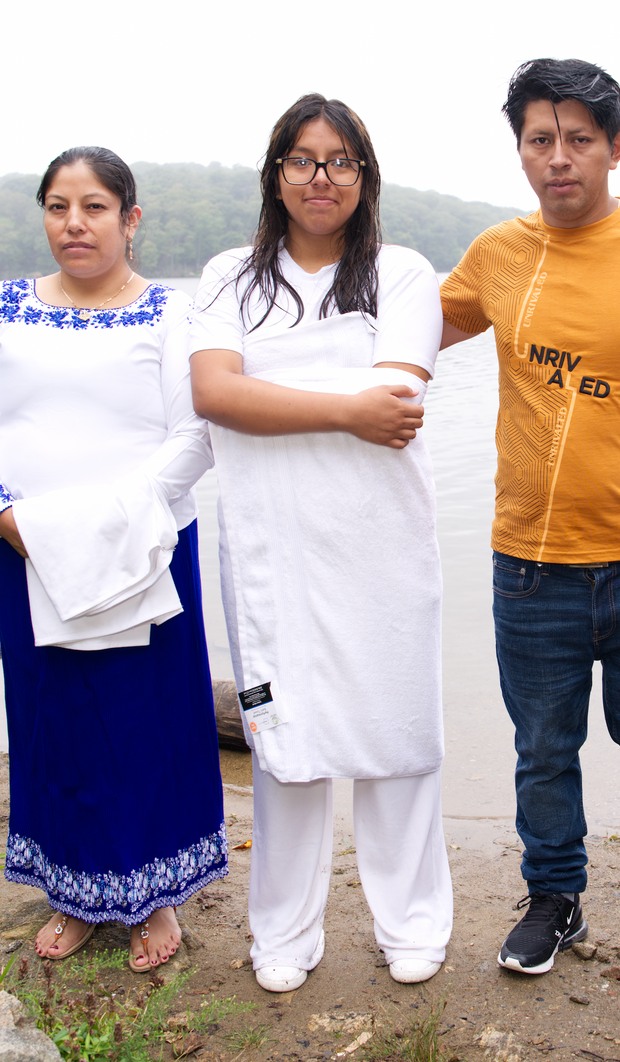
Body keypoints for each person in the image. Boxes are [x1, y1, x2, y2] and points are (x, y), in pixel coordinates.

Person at [439, 58, 620, 993]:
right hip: (529, 562)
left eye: (578, 139)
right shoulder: (496, 254)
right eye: (540, 140)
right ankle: (554, 898)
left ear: (616, 146)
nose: (558, 157)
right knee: (542, 753)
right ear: (521, 150)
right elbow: (399, 334)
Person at [0, 147, 227, 975]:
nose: (74, 223)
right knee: (53, 716)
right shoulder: (1, 309)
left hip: (146, 542)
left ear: (130, 219)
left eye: (94, 207)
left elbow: (196, 431)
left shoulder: (171, 316)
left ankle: (154, 891)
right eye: (58, 206)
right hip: (25, 544)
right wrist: (2, 511)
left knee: (145, 717)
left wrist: (113, 521)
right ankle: (73, 889)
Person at [187, 94, 450, 994]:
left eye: (341, 161)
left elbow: (397, 402)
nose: (321, 178)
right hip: (273, 550)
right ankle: (284, 931)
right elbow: (215, 396)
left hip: (382, 543)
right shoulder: (231, 277)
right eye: (301, 160)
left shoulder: (401, 273)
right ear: (275, 175)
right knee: (281, 739)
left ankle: (411, 922)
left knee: (398, 731)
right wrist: (343, 402)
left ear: (365, 177)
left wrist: (269, 389)